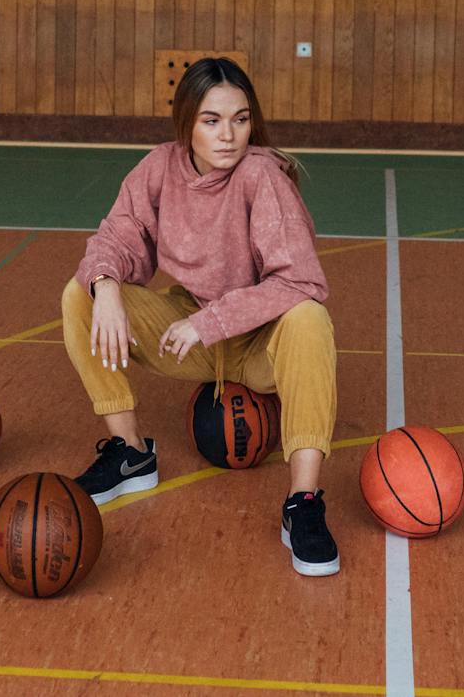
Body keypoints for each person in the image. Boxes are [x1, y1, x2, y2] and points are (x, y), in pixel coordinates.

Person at [60, 57, 340, 577]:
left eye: (240, 119)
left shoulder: (262, 176)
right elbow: (115, 237)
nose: (228, 135)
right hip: (190, 339)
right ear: (187, 122)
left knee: (308, 318)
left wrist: (209, 323)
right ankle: (130, 453)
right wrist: (106, 285)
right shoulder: (159, 168)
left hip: (259, 344)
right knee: (80, 294)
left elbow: (302, 281)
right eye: (212, 120)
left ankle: (303, 502)